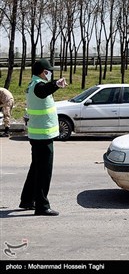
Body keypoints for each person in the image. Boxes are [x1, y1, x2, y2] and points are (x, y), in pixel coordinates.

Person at [19, 58, 67, 216]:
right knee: (43, 172)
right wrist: (56, 85)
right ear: (42, 72)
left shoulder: (33, 84)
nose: (50, 73)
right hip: (43, 136)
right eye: (48, 71)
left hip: (38, 135)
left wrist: (54, 85)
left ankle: (27, 200)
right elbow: (44, 90)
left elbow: (44, 90)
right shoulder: (38, 86)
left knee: (35, 169)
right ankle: (42, 206)